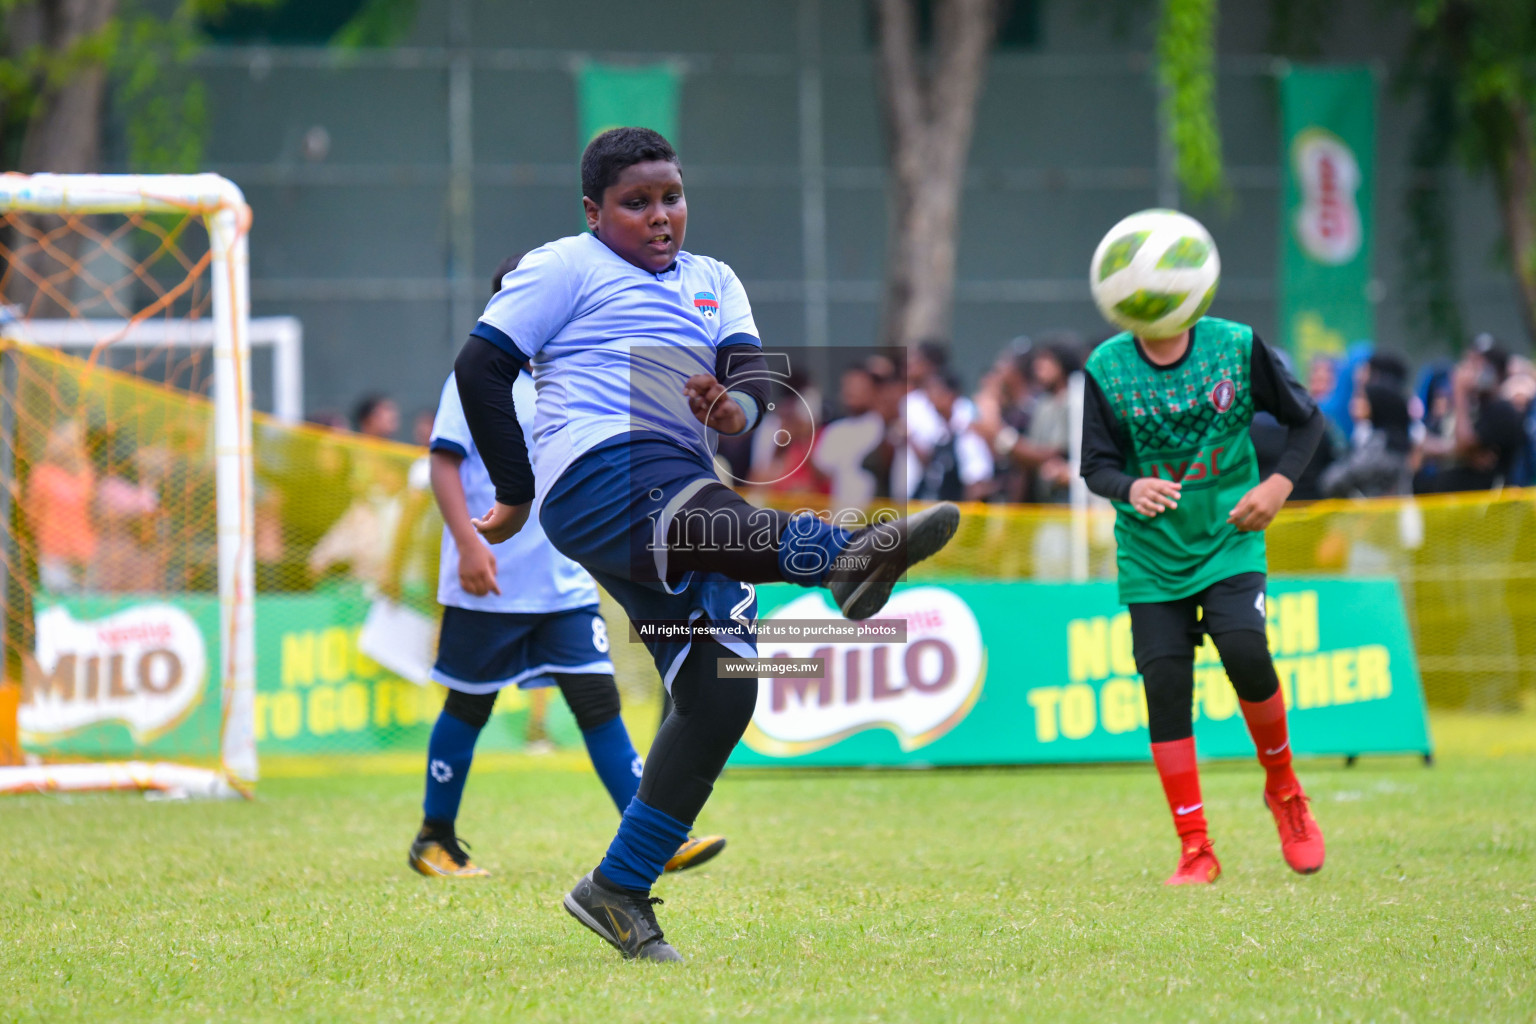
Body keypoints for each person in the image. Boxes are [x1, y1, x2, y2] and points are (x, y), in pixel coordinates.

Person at [452, 127, 960, 961]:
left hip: (683, 491)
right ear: (594, 211)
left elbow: (754, 387)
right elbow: (481, 367)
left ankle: (616, 889)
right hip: (598, 476)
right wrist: (512, 491)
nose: (661, 216)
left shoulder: (713, 281)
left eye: (672, 197)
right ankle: (843, 558)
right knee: (698, 512)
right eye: (637, 202)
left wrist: (733, 410)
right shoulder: (563, 266)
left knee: (724, 690)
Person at [409, 257, 727, 880]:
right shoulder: (477, 381)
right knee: (469, 706)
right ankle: (434, 838)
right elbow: (443, 462)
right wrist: (470, 548)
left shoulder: (575, 377)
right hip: (492, 582)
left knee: (598, 703)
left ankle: (655, 836)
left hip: (564, 581)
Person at [1079, 313, 1327, 886]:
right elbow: (1096, 466)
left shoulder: (1236, 346)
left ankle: (1285, 790)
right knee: (1165, 688)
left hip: (1230, 538)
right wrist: (1129, 486)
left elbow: (1307, 421)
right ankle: (1196, 850)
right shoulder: (1107, 366)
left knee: (1245, 649)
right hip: (1150, 555)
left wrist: (1277, 485)